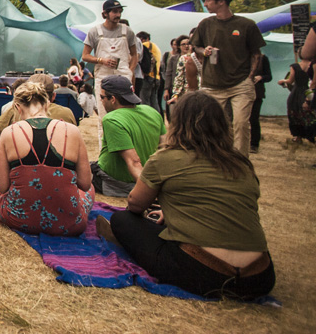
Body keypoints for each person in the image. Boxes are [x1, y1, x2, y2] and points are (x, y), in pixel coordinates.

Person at [106, 92, 275, 300]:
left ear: (178, 123)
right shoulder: (241, 164)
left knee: (122, 219)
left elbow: (135, 205)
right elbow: (227, 207)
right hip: (259, 276)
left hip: (203, 272)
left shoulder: (166, 158)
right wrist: (172, 213)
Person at [0, 81, 94, 236]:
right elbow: (85, 184)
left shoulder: (9, 132)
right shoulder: (72, 131)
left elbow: (2, 187)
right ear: (47, 104)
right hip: (70, 224)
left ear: (17, 108)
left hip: (18, 218)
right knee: (91, 189)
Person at [191, 0, 265, 155]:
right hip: (213, 84)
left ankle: (241, 162)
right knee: (212, 125)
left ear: (221, 2)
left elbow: (256, 54)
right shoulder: (205, 24)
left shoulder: (246, 25)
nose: (206, 3)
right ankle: (215, 158)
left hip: (240, 84)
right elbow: (197, 47)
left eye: (209, 0)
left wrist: (250, 77)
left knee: (240, 124)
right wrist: (205, 51)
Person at [89, 75, 165, 197]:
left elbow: (134, 161)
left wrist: (148, 193)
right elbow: (165, 149)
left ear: (113, 99)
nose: (101, 101)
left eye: (102, 97)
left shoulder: (112, 119)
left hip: (116, 182)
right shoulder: (152, 111)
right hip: (150, 177)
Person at [0, 74, 76, 152]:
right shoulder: (67, 113)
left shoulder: (16, 109)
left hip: (19, 162)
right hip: (60, 163)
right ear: (53, 96)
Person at [81, 0, 138, 120]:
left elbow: (134, 54)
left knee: (126, 112)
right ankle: (103, 139)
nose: (118, 15)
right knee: (104, 115)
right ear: (105, 14)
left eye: (119, 12)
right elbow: (85, 55)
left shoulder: (127, 31)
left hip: (123, 76)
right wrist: (101, 60)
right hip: (103, 76)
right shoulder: (95, 31)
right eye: (114, 12)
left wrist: (130, 71)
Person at [278, 50, 315, 143]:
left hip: (296, 92)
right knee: (308, 114)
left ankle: (298, 137)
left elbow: (290, 81)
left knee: (294, 113)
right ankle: (310, 134)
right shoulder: (312, 65)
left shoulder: (294, 66)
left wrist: (283, 81)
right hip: (308, 91)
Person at [249, 52, 273, 152]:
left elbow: (269, 76)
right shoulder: (239, 55)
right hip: (239, 91)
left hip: (257, 92)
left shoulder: (263, 58)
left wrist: (261, 77)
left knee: (253, 118)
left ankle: (254, 144)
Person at [136, 31, 162, 115]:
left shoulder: (145, 46)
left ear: (142, 39)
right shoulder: (156, 47)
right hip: (156, 77)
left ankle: (147, 121)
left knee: (145, 103)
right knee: (154, 102)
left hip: (147, 77)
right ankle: (157, 120)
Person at [169, 34, 200, 105]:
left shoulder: (203, 57)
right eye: (184, 44)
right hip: (188, 92)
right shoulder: (183, 59)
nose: (187, 46)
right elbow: (179, 77)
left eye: (189, 43)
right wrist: (176, 94)